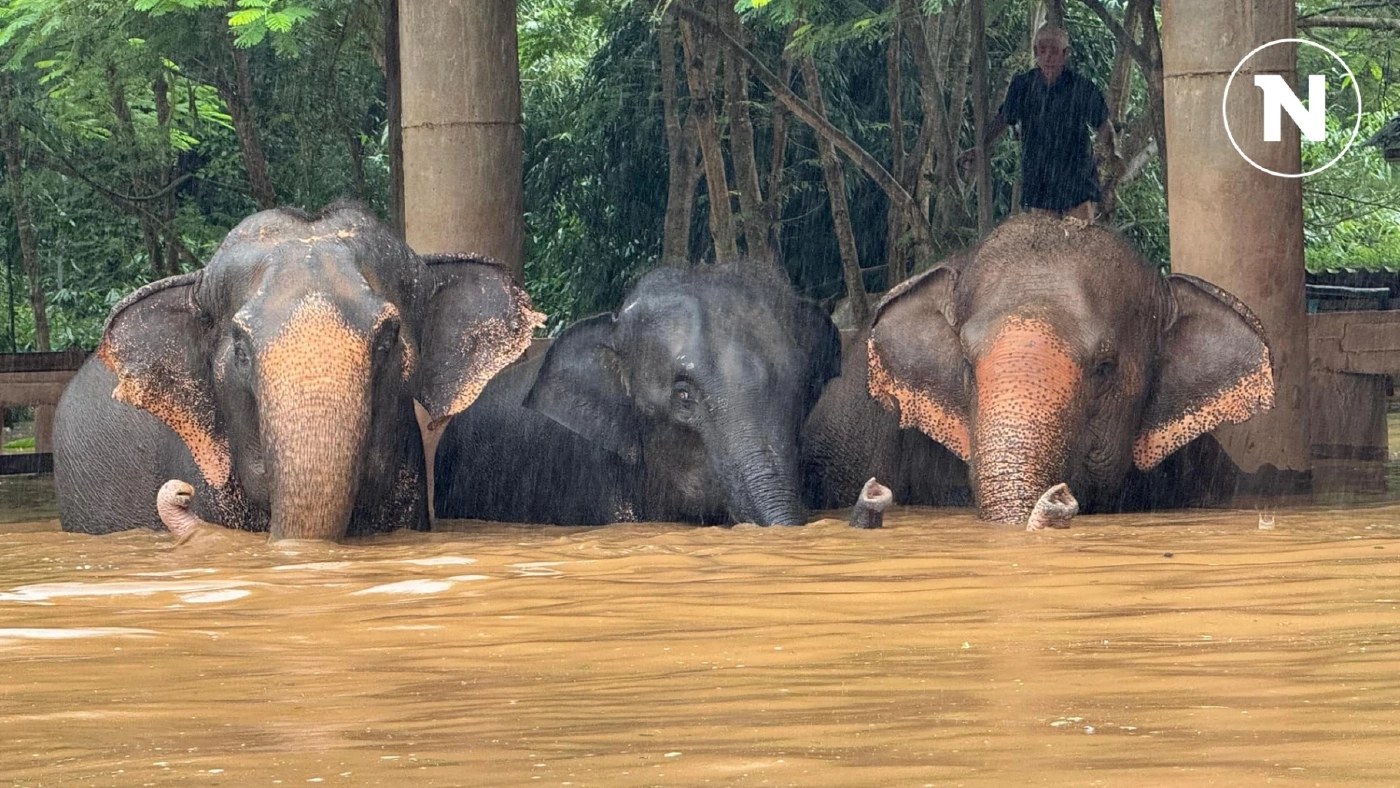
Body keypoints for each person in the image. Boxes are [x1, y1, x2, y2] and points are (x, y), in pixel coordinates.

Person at [962, 25, 1120, 223]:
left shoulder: (1082, 88)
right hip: (1040, 178)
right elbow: (1003, 119)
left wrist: (1108, 159)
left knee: (1081, 242)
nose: (1048, 57)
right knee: (1046, 245)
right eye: (1042, 50)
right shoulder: (1023, 86)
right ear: (1035, 51)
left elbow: (1104, 126)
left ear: (1065, 54)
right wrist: (980, 147)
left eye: (1054, 51)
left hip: (1077, 179)